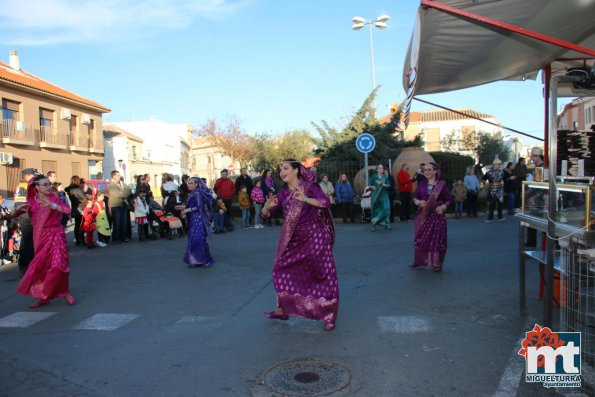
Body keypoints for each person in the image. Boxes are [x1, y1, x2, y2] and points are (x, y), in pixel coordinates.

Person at [262, 159, 339, 331]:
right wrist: (266, 207)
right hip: (293, 239)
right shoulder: (282, 193)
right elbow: (266, 216)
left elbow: (326, 202)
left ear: (296, 170)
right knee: (279, 268)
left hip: (315, 236)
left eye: (286, 168)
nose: (282, 171)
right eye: (280, 168)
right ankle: (283, 309)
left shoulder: (310, 187)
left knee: (322, 274)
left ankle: (328, 314)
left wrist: (305, 199)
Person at [12, 174, 75, 308]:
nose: (49, 187)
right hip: (40, 237)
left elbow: (67, 210)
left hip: (56, 235)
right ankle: (42, 296)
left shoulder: (54, 198)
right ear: (37, 187)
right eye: (45, 184)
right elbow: (14, 214)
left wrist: (53, 205)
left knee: (59, 266)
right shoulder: (31, 202)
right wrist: (15, 212)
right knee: (41, 267)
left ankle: (66, 293)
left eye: (49, 184)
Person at [410, 162, 452, 272]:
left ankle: (436, 263)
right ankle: (419, 261)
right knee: (420, 239)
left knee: (436, 240)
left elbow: (449, 199)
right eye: (425, 170)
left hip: (437, 216)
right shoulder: (422, 184)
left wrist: (443, 207)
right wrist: (419, 202)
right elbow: (414, 198)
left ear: (435, 171)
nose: (427, 171)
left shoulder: (441, 185)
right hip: (423, 215)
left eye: (429, 169)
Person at [177, 177, 214, 267]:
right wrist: (183, 208)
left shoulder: (197, 192)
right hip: (194, 219)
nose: (189, 185)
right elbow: (192, 205)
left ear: (196, 184)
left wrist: (186, 210)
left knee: (198, 240)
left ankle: (204, 260)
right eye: (188, 183)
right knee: (194, 239)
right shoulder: (193, 192)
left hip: (199, 219)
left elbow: (199, 207)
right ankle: (195, 260)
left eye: (191, 183)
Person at [17, 168, 39, 275]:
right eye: (33, 175)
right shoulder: (23, 186)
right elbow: (20, 205)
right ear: (27, 175)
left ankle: (32, 266)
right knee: (26, 243)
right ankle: (23, 266)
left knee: (33, 243)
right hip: (26, 218)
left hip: (34, 217)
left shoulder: (33, 185)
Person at [108, 170, 132, 243]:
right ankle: (116, 238)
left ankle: (123, 237)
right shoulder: (111, 184)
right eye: (118, 175)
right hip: (116, 205)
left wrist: (124, 194)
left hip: (123, 205)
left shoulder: (121, 183)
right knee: (117, 223)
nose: (119, 176)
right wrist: (124, 194)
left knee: (124, 222)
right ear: (114, 176)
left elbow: (129, 190)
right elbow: (117, 195)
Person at [369, 165, 391, 231]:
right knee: (376, 210)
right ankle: (373, 225)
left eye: (382, 168)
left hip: (384, 194)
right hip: (375, 195)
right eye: (380, 168)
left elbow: (389, 185)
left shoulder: (385, 177)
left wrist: (383, 184)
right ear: (377, 170)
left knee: (387, 208)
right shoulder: (374, 176)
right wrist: (371, 186)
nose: (382, 169)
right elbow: (369, 184)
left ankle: (386, 223)